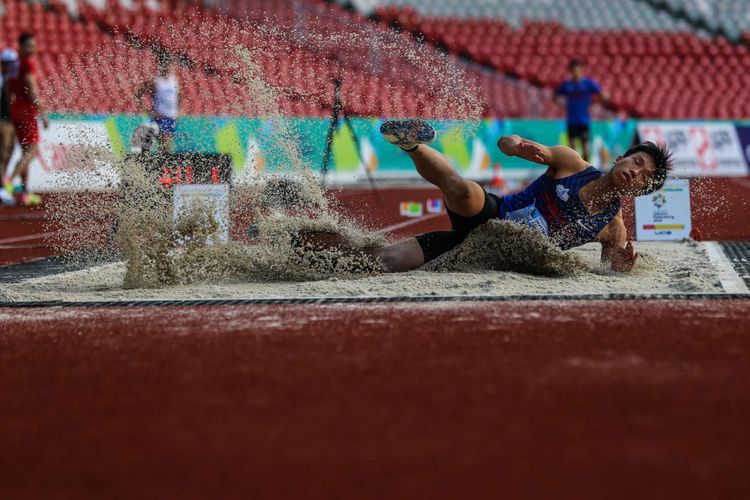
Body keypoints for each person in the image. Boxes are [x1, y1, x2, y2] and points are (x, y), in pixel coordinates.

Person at [307, 119, 673, 274]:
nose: (635, 172)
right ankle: (412, 144)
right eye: (636, 161)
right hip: (493, 217)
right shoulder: (572, 163)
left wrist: (621, 268)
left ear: (640, 190)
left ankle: (309, 249)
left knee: (385, 260)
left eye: (643, 176)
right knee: (463, 190)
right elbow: (509, 143)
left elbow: (609, 270)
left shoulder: (612, 227)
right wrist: (515, 146)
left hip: (491, 256)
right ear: (622, 156)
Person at [3, 33, 49, 207]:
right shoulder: (28, 63)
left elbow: (8, 90)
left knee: (24, 151)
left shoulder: (13, 65)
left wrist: (9, 110)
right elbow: (31, 90)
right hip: (28, 111)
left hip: (15, 110)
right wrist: (43, 114)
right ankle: (10, 180)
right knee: (32, 150)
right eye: (30, 45)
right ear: (21, 46)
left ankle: (24, 192)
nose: (33, 49)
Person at [554, 58, 608, 162]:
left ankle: (586, 170)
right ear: (570, 71)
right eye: (573, 70)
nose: (575, 72)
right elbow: (555, 96)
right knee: (572, 148)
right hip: (571, 120)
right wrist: (563, 105)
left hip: (584, 120)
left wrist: (594, 103)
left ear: (581, 70)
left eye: (577, 70)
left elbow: (604, 96)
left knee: (585, 148)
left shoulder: (588, 83)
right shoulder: (567, 85)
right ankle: (575, 171)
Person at [135, 55, 180, 152]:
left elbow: (180, 96)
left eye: (168, 64)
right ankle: (159, 163)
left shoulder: (174, 81)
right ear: (160, 65)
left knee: (166, 147)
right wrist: (147, 111)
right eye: (164, 64)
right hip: (160, 117)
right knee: (164, 144)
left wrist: (179, 111)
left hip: (171, 118)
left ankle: (162, 164)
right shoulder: (155, 81)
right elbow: (138, 94)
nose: (166, 67)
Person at [0, 48, 18, 206]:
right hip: (3, 121)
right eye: (11, 63)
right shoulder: (2, 80)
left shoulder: (12, 80)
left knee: (8, 154)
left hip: (11, 122)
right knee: (3, 154)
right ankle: (1, 189)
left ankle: (3, 187)